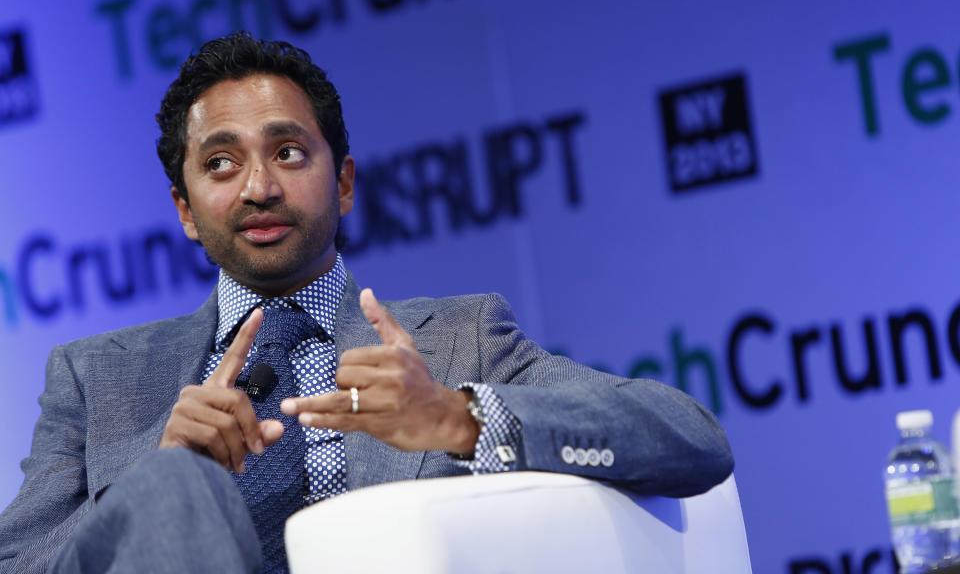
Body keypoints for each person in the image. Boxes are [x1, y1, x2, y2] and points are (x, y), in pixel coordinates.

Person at [0, 33, 733, 573]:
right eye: (220, 163)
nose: (258, 186)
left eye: (288, 152)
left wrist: (457, 417)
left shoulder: (459, 340)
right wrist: (154, 484)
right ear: (186, 211)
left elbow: (690, 438)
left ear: (343, 182)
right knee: (173, 490)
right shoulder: (95, 379)